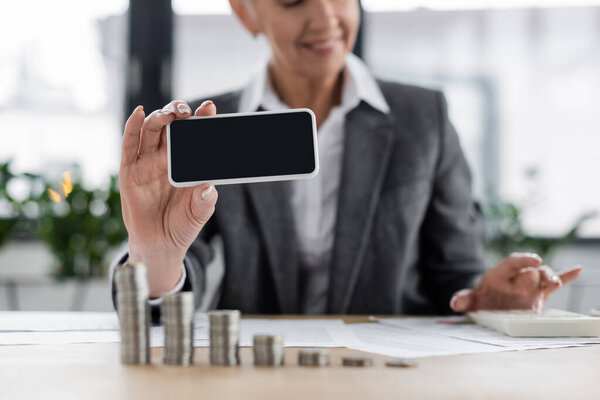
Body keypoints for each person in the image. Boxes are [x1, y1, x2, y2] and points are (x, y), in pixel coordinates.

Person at [113, 0, 581, 319]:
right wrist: (155, 255)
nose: (326, 19)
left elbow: (454, 273)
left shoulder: (423, 117)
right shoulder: (212, 125)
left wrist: (486, 296)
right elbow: (164, 290)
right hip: (251, 372)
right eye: (293, 0)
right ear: (245, 11)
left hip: (392, 375)